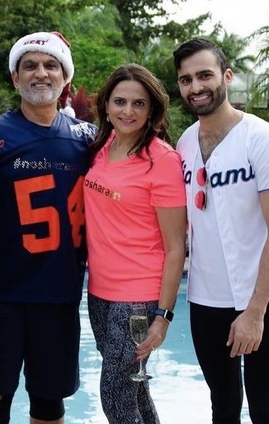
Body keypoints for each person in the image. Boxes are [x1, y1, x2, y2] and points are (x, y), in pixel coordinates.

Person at [173, 38, 269, 424]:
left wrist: (255, 312)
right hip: (206, 298)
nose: (196, 87)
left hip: (263, 298)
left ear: (226, 76)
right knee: (222, 405)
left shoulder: (263, 139)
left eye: (205, 75)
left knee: (266, 409)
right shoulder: (184, 144)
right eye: (186, 79)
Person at [0, 31, 97, 424]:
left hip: (59, 295)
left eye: (50, 65)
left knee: (49, 403)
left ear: (65, 77)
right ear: (15, 78)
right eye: (29, 65)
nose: (40, 73)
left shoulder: (88, 140)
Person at [83, 64, 187, 424]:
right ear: (107, 106)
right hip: (98, 292)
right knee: (134, 389)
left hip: (139, 299)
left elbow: (176, 248)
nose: (128, 111)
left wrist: (163, 316)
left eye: (138, 104)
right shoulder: (101, 147)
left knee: (114, 395)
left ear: (152, 110)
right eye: (120, 102)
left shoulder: (162, 161)